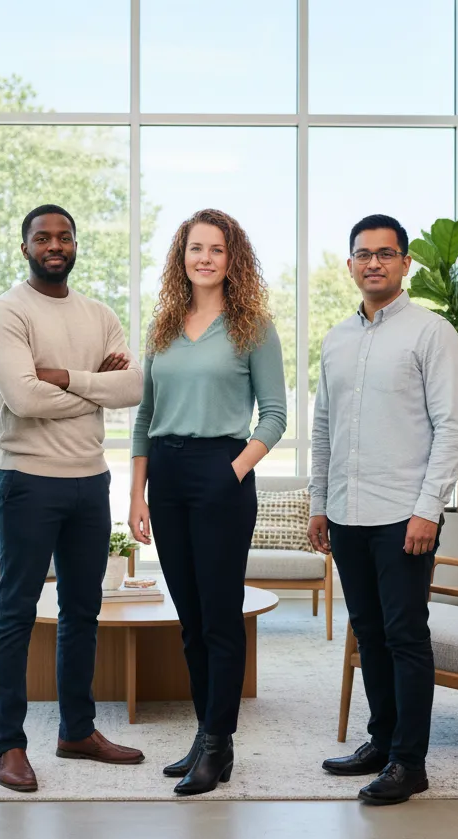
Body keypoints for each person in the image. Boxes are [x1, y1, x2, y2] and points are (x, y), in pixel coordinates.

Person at [0, 204, 146, 793]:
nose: (55, 245)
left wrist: (67, 377)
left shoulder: (99, 314)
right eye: (43, 237)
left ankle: (77, 731)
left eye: (65, 236)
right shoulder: (7, 312)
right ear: (24, 246)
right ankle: (9, 745)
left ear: (76, 244)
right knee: (17, 612)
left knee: (83, 610)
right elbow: (23, 399)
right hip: (28, 479)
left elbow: (134, 386)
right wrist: (96, 386)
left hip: (90, 480)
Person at [308, 214, 458, 805]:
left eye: (385, 253)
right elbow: (322, 428)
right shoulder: (336, 339)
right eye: (363, 254)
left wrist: (428, 510)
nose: (373, 263)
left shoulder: (432, 333)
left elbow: (453, 429)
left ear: (405, 263)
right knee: (369, 634)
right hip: (347, 514)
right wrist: (319, 504)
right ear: (350, 263)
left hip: (404, 515)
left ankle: (410, 761)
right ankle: (381, 742)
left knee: (405, 636)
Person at [129, 208, 287, 796]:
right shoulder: (163, 326)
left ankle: (220, 743)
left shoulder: (253, 327)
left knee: (220, 616)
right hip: (166, 475)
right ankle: (205, 736)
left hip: (223, 470)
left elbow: (275, 416)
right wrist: (137, 493)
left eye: (217, 249)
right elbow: (145, 416)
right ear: (182, 256)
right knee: (190, 621)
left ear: (232, 258)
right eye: (196, 248)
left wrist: (233, 472)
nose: (205, 258)